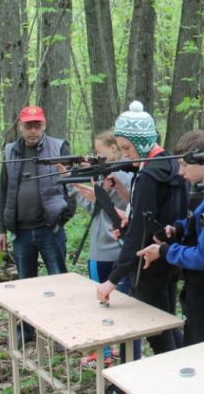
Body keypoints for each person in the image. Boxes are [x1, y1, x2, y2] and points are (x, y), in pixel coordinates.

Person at [95, 101, 188, 355]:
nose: (126, 154)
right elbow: (154, 219)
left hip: (149, 264)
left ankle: (175, 374)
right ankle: (184, 368)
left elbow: (139, 233)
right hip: (170, 257)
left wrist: (112, 280)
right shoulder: (172, 166)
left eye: (127, 147)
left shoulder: (148, 176)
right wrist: (130, 225)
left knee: (159, 334)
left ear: (143, 141)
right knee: (168, 324)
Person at [136, 130, 204, 347]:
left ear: (203, 162)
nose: (180, 172)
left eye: (184, 165)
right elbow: (198, 222)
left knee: (201, 354)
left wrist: (164, 251)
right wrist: (178, 228)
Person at [0, 105, 77, 344]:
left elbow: (72, 184)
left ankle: (63, 331)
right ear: (20, 126)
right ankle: (27, 329)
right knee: (26, 284)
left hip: (50, 229)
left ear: (44, 125)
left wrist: (63, 216)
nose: (33, 131)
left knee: (58, 280)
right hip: (21, 232)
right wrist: (1, 228)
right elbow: (3, 190)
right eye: (28, 126)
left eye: (37, 125)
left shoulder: (58, 147)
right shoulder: (10, 151)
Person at [72, 130, 134, 367]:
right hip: (115, 250)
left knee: (105, 304)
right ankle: (115, 350)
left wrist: (85, 184)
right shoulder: (116, 175)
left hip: (108, 250)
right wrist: (76, 184)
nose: (96, 156)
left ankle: (106, 353)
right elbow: (95, 208)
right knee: (118, 305)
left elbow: (106, 205)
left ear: (114, 149)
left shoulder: (119, 175)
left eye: (100, 152)